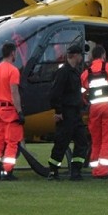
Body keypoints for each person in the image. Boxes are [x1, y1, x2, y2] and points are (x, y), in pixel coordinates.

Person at [47, 42, 90, 180]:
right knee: (62, 142)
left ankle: (76, 171)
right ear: (76, 56)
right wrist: (58, 111)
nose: (82, 58)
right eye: (81, 56)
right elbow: (55, 94)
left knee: (82, 141)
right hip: (66, 113)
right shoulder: (63, 72)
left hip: (76, 113)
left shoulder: (75, 72)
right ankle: (53, 171)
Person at [80, 44, 108, 178]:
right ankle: (103, 171)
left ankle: (95, 168)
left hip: (94, 108)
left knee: (96, 139)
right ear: (104, 55)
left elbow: (83, 93)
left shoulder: (85, 73)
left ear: (92, 57)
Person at [0, 41, 24, 181]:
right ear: (13, 53)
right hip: (10, 110)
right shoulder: (13, 70)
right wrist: (19, 111)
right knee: (12, 142)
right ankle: (7, 171)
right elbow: (14, 92)